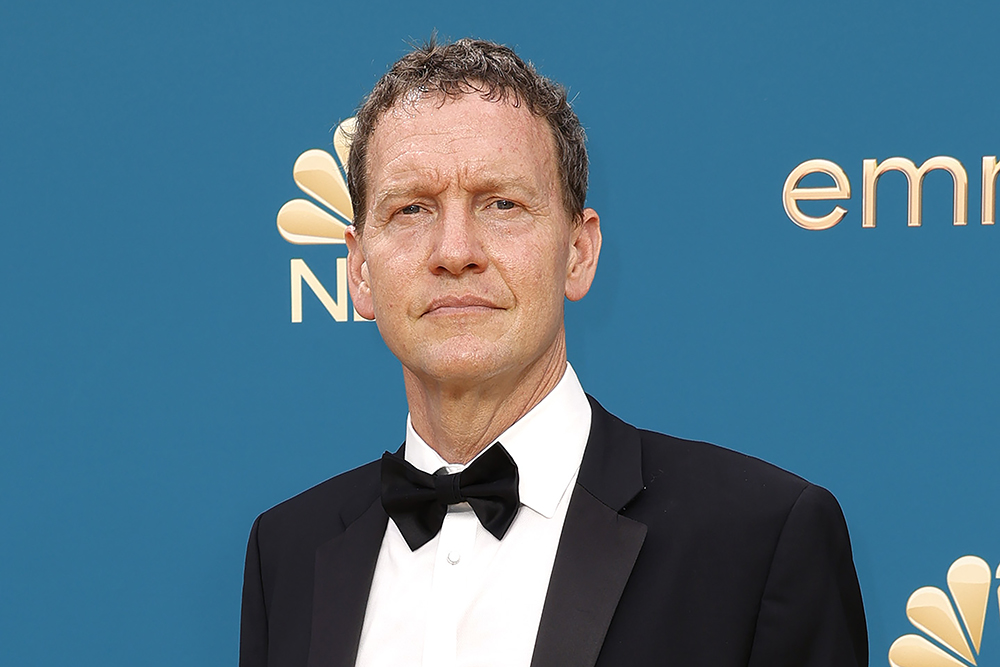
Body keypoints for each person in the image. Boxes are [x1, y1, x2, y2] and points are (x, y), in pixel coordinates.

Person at [240, 38, 867, 667]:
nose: (454, 251)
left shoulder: (758, 541)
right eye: (411, 209)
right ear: (359, 271)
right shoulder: (287, 554)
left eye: (501, 204)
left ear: (579, 252)